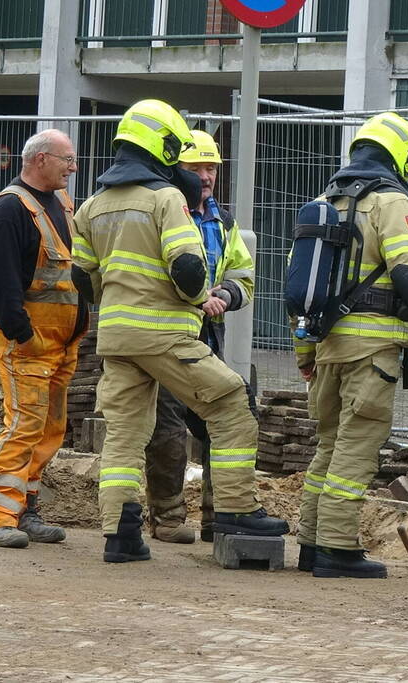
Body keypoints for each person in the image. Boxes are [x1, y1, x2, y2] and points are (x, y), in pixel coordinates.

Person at [71, 99, 287, 563]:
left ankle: (121, 535)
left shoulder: (92, 207)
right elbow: (189, 269)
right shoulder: (166, 199)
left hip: (117, 338)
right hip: (166, 334)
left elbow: (82, 281)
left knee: (126, 434)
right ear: (163, 146)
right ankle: (235, 510)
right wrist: (199, 298)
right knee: (232, 401)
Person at [294, 112, 408, 579]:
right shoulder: (389, 202)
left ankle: (311, 543)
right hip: (373, 350)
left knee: (328, 445)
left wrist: (304, 353)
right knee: (356, 449)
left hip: (326, 346)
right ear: (400, 155)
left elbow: (301, 282)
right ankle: (337, 550)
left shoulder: (325, 200)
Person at [142, 130, 255, 545]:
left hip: (209, 335)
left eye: (211, 168)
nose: (205, 176)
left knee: (222, 421)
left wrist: (226, 293)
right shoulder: (163, 211)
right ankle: (168, 518)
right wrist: (193, 299)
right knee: (167, 427)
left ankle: (218, 515)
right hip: (171, 333)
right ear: (177, 170)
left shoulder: (222, 221)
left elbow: (243, 273)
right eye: (195, 168)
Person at [0, 128, 87, 549]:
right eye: (67, 159)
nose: (73, 167)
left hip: (61, 346)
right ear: (40, 159)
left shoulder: (60, 204)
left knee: (50, 428)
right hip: (28, 344)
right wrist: (22, 335)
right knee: (24, 424)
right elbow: (0, 283)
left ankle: (27, 509)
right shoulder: (11, 209)